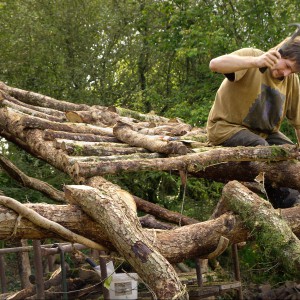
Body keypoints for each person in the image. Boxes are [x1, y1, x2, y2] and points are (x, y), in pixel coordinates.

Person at [207, 37, 300, 208]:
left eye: (292, 71)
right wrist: (256, 61)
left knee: (289, 153)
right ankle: (289, 206)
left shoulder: (292, 82)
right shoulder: (253, 57)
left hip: (265, 133)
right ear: (278, 53)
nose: (286, 73)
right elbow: (215, 64)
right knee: (264, 150)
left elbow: (298, 123)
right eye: (286, 66)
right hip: (226, 129)